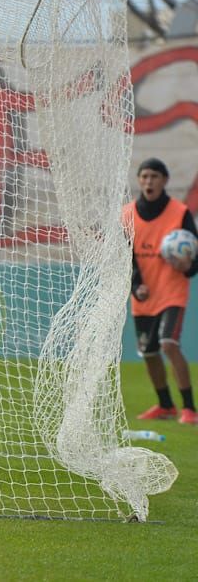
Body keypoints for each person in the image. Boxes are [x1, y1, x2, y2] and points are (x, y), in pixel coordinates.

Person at [124, 157, 198, 425]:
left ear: (164, 180)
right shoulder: (127, 214)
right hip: (144, 296)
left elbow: (195, 256)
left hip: (172, 292)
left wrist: (187, 265)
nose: (148, 181)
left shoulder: (179, 213)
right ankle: (165, 405)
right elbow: (124, 257)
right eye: (144, 177)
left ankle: (189, 408)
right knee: (149, 351)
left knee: (169, 344)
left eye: (154, 176)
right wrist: (135, 286)